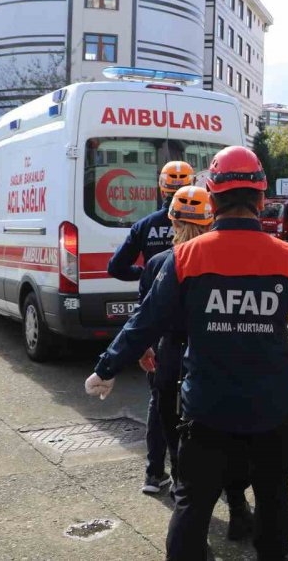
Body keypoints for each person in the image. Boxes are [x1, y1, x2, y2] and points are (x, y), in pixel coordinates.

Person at [84, 146, 288, 560]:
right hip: (270, 410)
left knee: (193, 505)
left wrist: (106, 367)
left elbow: (145, 321)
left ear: (212, 199)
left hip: (206, 409)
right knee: (273, 505)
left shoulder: (185, 257)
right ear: (262, 199)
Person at [134, 186, 255, 540]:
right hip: (215, 359)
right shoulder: (222, 261)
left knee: (180, 445)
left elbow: (144, 317)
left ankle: (191, 526)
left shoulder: (160, 263)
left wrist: (143, 350)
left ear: (171, 219)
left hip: (171, 359)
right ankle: (237, 507)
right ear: (210, 218)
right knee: (230, 438)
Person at [106, 160, 194, 494]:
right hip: (192, 325)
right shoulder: (202, 229)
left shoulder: (145, 226)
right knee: (188, 403)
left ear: (161, 188)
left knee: (159, 400)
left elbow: (116, 266)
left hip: (154, 323)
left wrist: (144, 275)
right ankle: (184, 474)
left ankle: (154, 472)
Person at [107, 160, 195, 282]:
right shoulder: (205, 225)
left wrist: (146, 273)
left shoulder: (144, 225)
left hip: (153, 296)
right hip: (190, 297)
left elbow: (115, 268)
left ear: (163, 191)